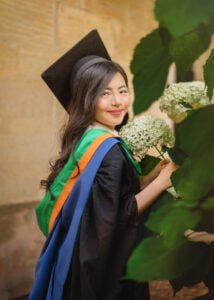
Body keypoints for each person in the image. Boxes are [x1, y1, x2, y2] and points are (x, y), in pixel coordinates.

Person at [29, 30, 177, 300]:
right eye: (104, 93)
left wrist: (151, 175)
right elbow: (120, 214)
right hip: (106, 275)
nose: (118, 101)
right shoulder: (108, 149)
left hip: (81, 258)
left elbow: (108, 199)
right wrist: (163, 181)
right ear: (86, 98)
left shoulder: (87, 139)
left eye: (122, 90)